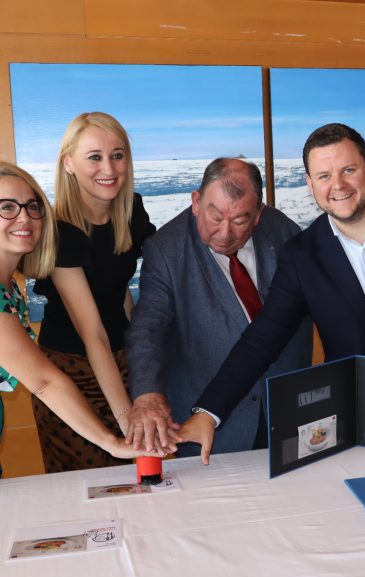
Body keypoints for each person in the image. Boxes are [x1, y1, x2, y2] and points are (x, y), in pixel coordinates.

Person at [180, 123, 365, 464]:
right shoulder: (301, 256)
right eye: (323, 176)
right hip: (360, 408)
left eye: (348, 170)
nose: (337, 185)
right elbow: (263, 337)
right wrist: (208, 412)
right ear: (310, 184)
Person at [124, 158, 313, 456]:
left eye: (239, 221)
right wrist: (147, 395)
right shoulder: (165, 250)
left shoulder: (284, 231)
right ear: (196, 202)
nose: (225, 234)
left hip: (289, 410)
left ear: (258, 214)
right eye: (215, 218)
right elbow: (149, 329)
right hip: (214, 426)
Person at [0, 162, 161, 478]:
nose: (24, 217)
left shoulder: (10, 285)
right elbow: (45, 382)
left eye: (33, 207)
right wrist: (112, 442)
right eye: (7, 207)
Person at [31, 112, 166, 473]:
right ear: (69, 163)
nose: (109, 167)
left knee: (142, 479)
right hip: (71, 376)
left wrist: (140, 360)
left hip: (119, 360)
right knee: (92, 485)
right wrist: (129, 423)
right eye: (94, 156)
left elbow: (119, 291)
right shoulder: (60, 232)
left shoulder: (131, 210)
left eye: (118, 154)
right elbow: (93, 337)